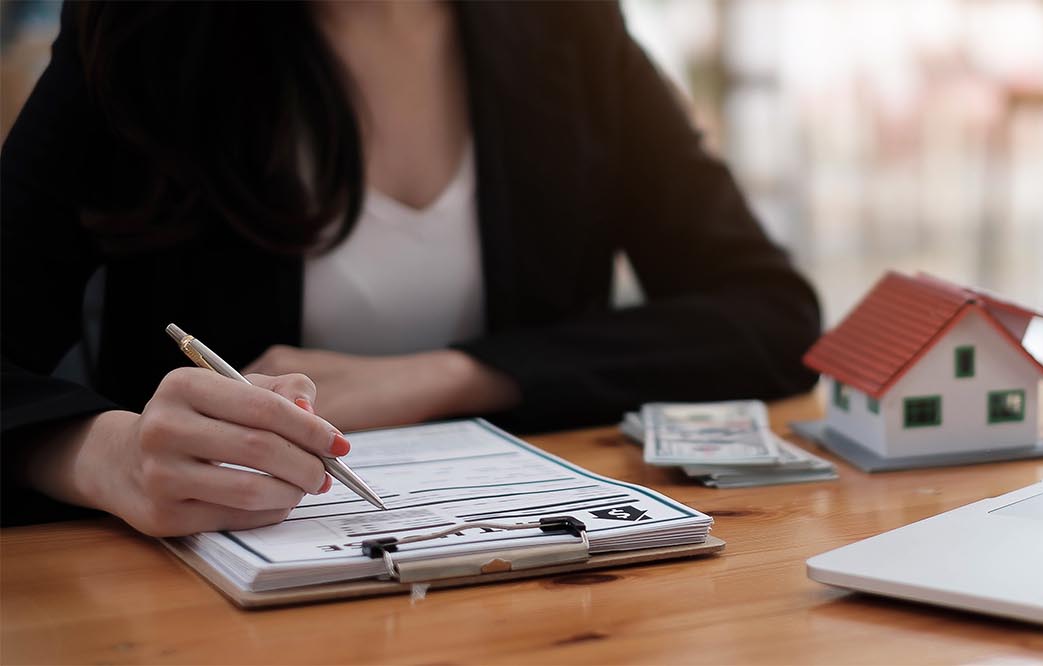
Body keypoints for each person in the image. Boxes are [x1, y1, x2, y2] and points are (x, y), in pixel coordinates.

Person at [1, 2, 820, 535]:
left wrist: (452, 376)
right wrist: (107, 456)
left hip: (534, 583)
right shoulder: (141, 33)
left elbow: (767, 310)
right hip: (207, 601)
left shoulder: (569, 28)